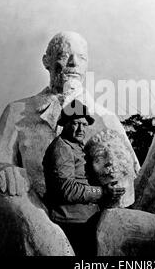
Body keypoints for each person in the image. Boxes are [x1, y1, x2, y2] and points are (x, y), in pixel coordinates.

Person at [0, 31, 140, 256]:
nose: (73, 62)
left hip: (85, 222)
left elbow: (128, 182)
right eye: (65, 54)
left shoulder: (106, 118)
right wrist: (2, 169)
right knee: (15, 195)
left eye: (82, 57)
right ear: (46, 61)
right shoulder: (17, 111)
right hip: (25, 213)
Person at [43, 100, 125, 256]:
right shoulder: (62, 149)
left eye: (84, 124)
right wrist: (102, 192)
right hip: (71, 223)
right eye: (75, 123)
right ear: (65, 124)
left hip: (85, 219)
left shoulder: (76, 146)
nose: (81, 129)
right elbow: (67, 190)